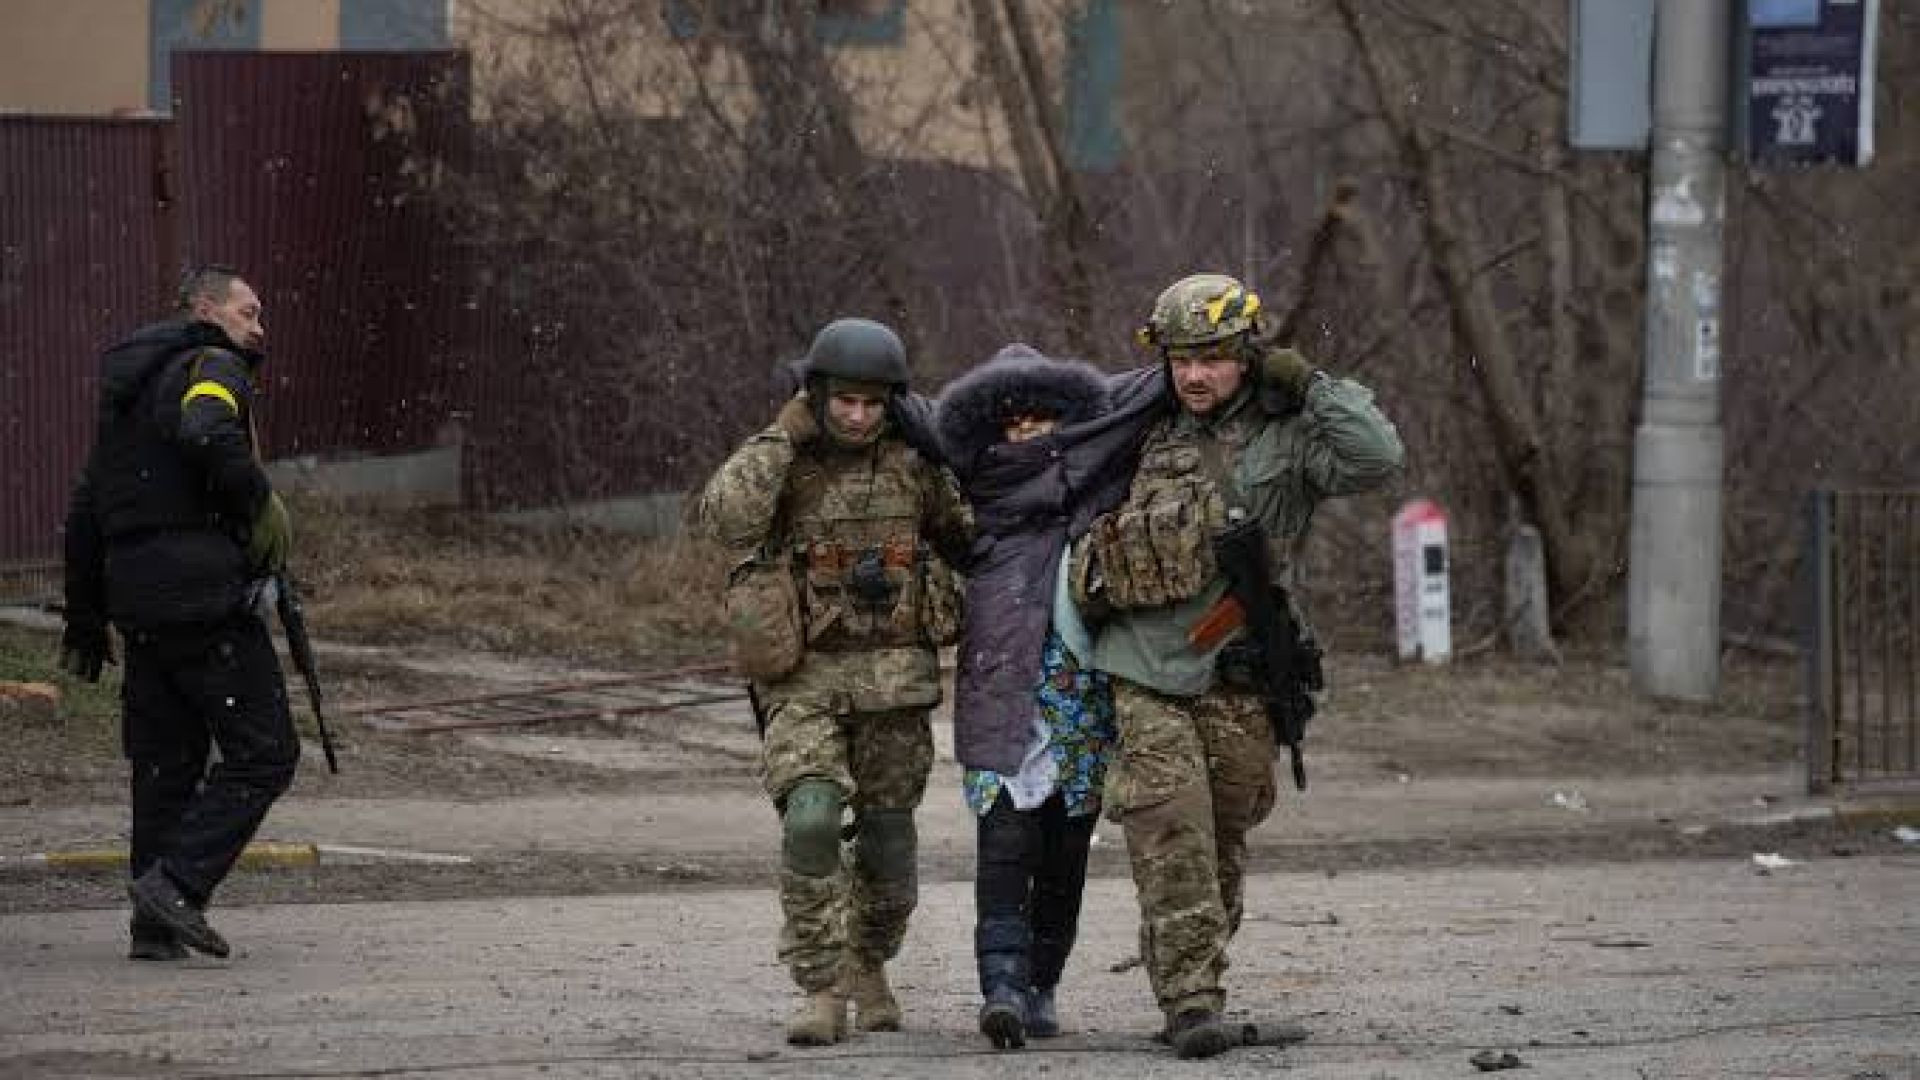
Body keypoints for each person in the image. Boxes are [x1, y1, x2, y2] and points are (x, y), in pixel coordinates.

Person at [1076, 273, 1404, 1058]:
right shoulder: (1141, 426)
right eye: (1183, 358)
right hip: (1143, 664)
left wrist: (1314, 386)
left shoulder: (1288, 435)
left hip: (1237, 672)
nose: (1195, 375)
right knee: (1170, 829)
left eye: (1215, 358)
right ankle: (1192, 1004)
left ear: (1248, 355)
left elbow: (1377, 457)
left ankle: (1191, 974)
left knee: (1221, 841)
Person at [695, 317, 973, 1046]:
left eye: (872, 403)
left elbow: (972, 536)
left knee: (888, 850)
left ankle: (868, 962)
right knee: (812, 820)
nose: (856, 416)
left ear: (891, 404)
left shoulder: (916, 464)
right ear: (816, 394)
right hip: (805, 681)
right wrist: (781, 435)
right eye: (842, 400)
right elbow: (722, 520)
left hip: (895, 687)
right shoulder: (787, 457)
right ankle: (820, 987)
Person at [59, 264, 299, 962]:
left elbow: (84, 511)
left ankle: (153, 928)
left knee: (166, 765)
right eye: (248, 311)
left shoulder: (126, 399)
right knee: (266, 753)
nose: (259, 327)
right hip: (202, 600)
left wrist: (86, 613)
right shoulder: (212, 363)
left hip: (140, 604)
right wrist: (259, 505)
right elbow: (207, 429)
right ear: (205, 309)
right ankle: (179, 884)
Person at [930, 344, 1165, 1050]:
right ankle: (999, 985)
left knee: (1065, 857)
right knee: (1004, 847)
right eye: (1014, 419)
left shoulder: (1099, 492)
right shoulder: (970, 508)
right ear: (993, 431)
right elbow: (910, 420)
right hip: (1004, 702)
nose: (1030, 431)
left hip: (1082, 710)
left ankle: (1041, 983)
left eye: (1045, 416)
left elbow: (1145, 390)